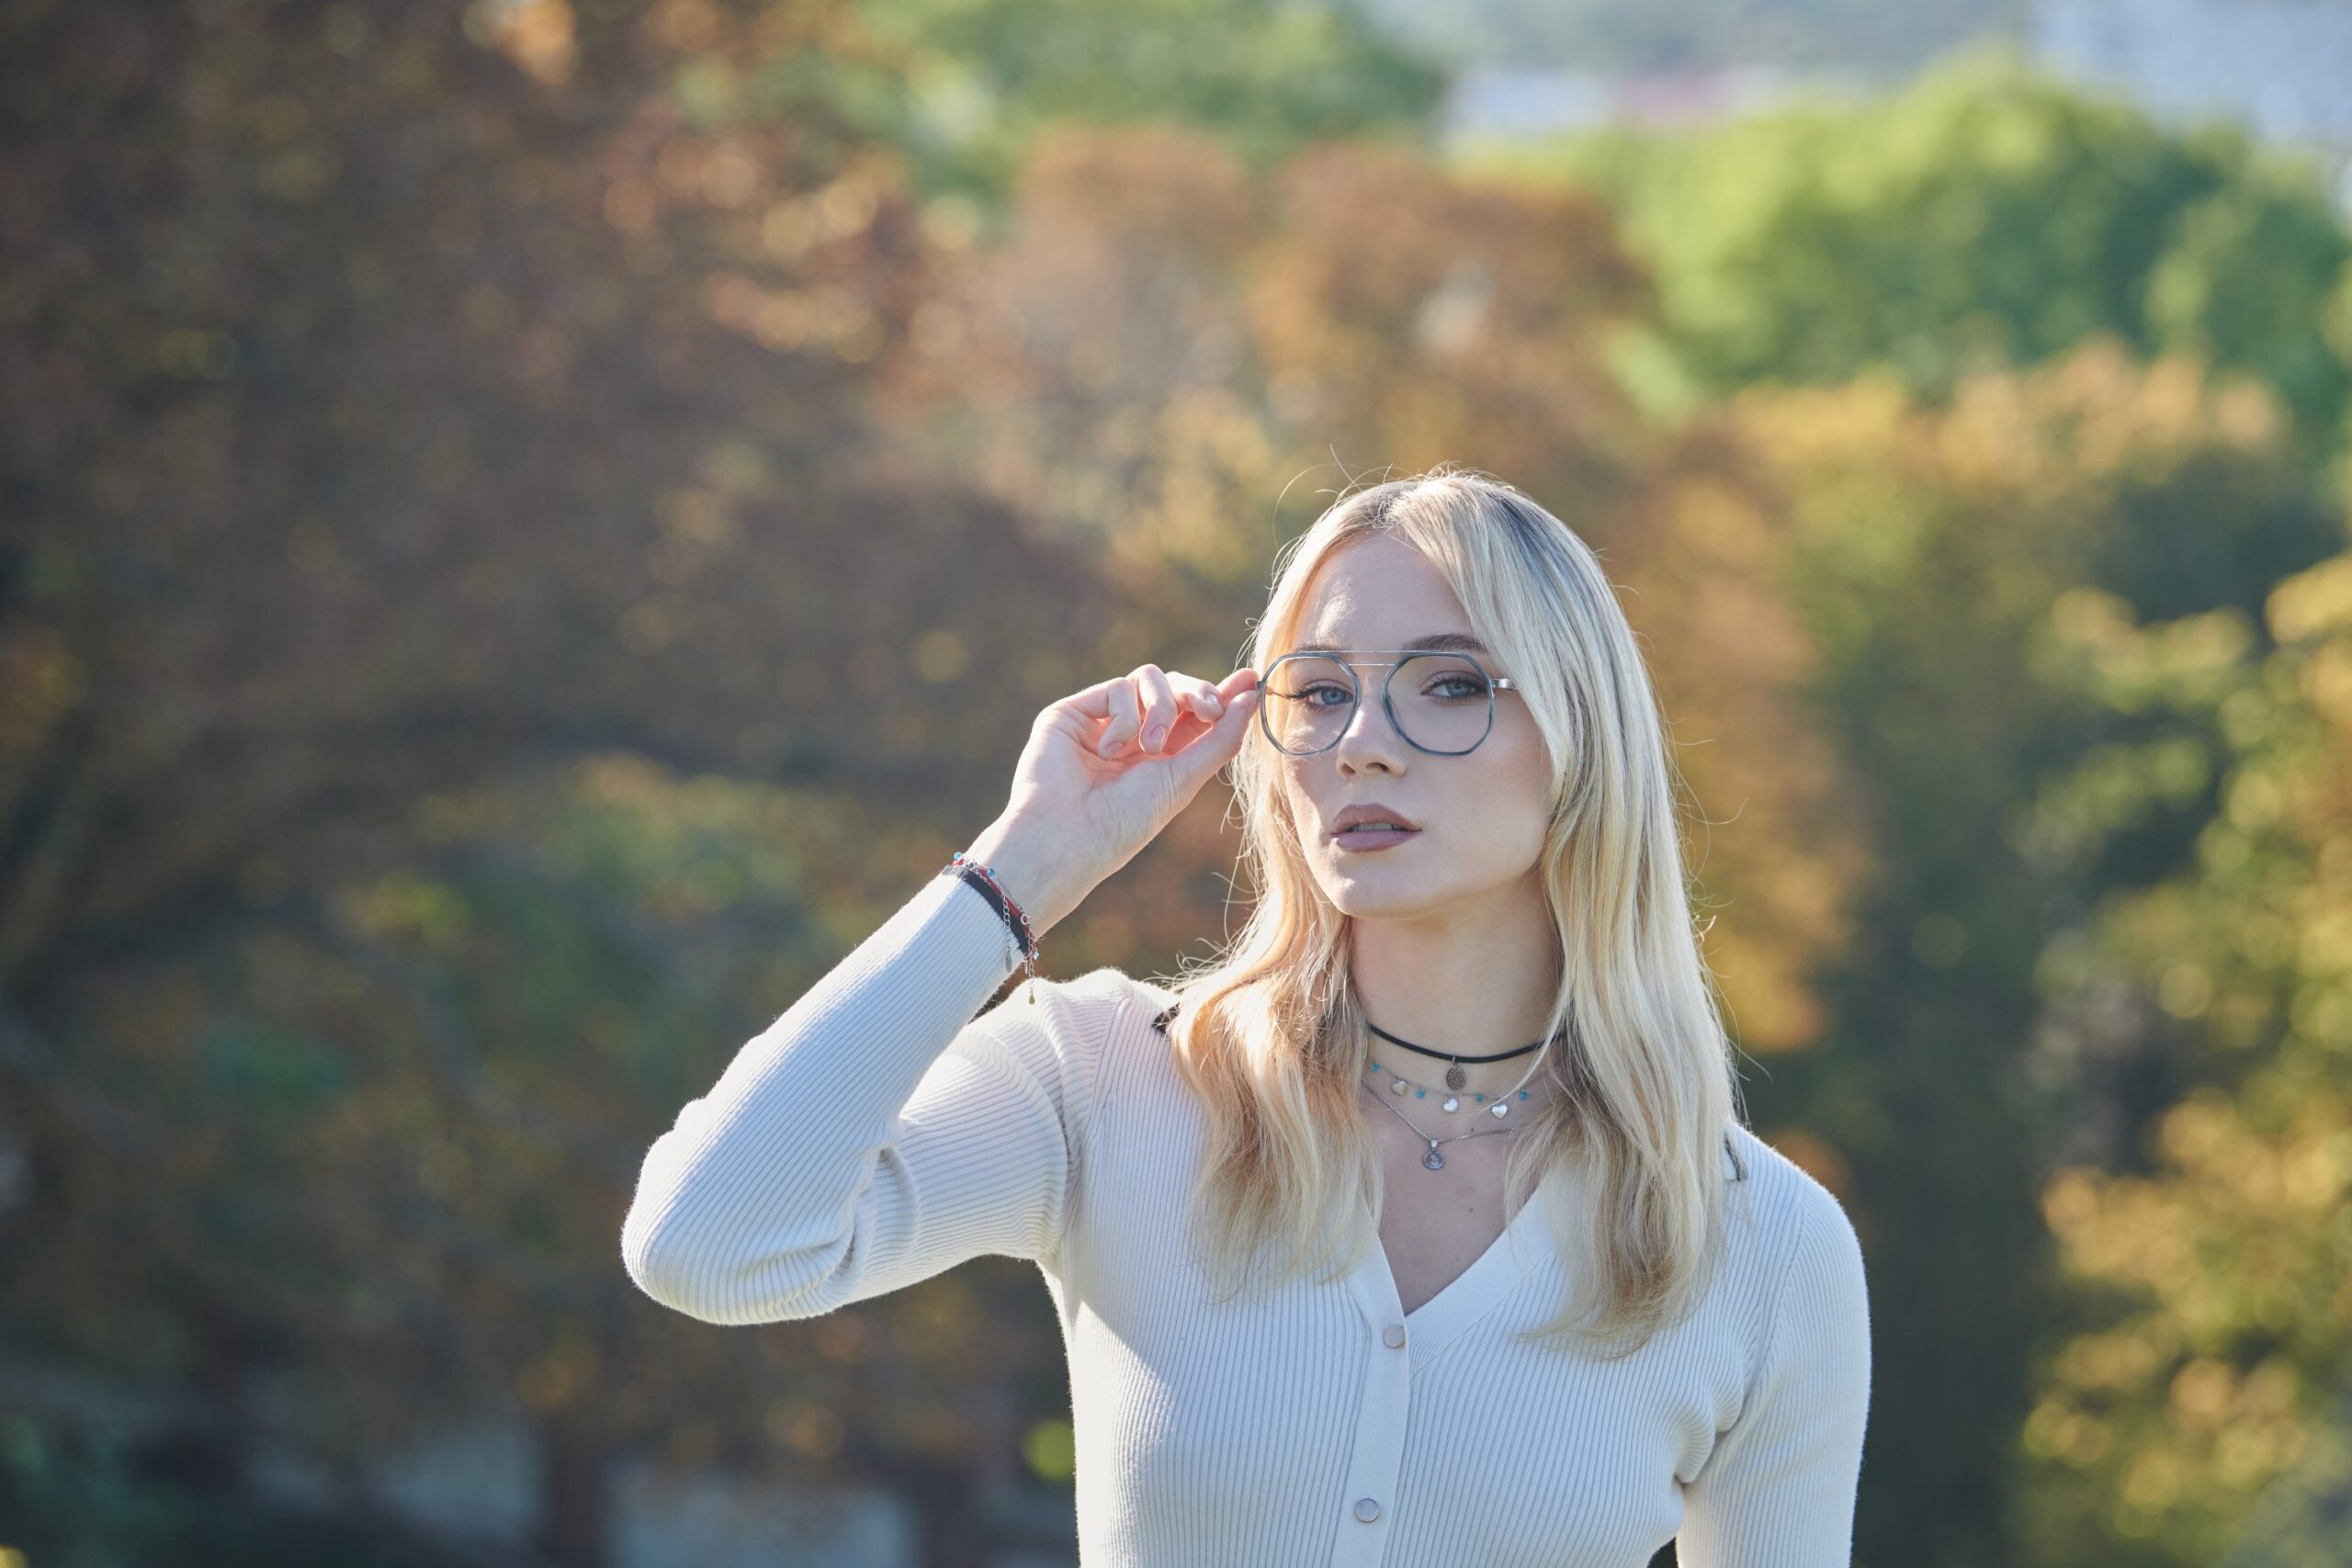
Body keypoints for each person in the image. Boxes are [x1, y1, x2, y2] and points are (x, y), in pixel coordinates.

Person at [621, 466, 1873, 1565]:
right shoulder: (1105, 1078)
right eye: (1319, 693)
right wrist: (1023, 866)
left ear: (1580, 737)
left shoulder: (1762, 1247)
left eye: (1448, 685)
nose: (1363, 744)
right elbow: (709, 1243)